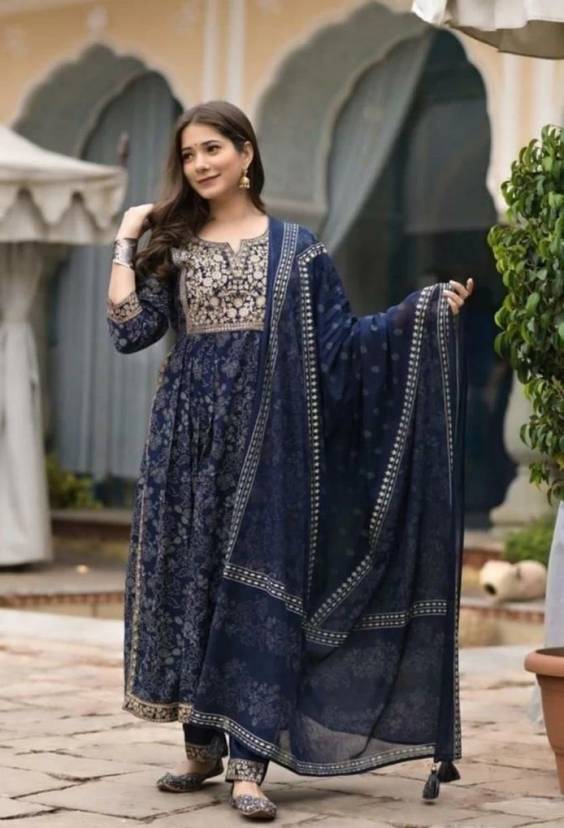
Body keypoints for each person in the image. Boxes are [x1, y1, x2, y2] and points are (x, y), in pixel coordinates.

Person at [107, 100, 473, 821]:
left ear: (246, 153)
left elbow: (345, 346)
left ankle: (249, 766)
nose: (200, 164)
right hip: (185, 446)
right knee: (191, 584)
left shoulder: (297, 252)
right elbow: (130, 329)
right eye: (188, 155)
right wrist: (126, 237)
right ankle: (202, 748)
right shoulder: (175, 246)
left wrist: (422, 314)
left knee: (258, 591)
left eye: (213, 149)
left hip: (269, 448)